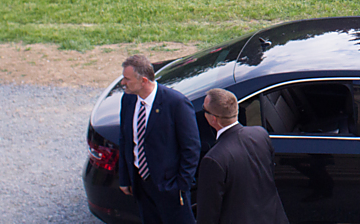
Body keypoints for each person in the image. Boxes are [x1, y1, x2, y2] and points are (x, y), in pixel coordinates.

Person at [118, 54, 199, 224]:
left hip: (169, 187)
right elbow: (125, 140)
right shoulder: (128, 100)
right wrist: (125, 178)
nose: (123, 83)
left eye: (127, 79)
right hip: (141, 184)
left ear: (144, 81)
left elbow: (191, 148)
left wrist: (180, 186)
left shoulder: (176, 103)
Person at [196, 88, 289, 224]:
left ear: (213, 119)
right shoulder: (260, 134)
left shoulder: (214, 159)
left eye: (204, 110)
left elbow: (208, 213)